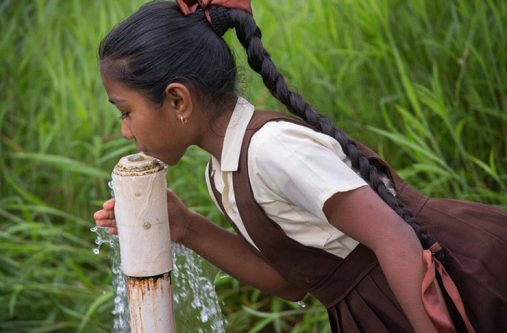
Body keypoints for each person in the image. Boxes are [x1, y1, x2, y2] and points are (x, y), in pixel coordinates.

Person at [93, 1, 507, 332]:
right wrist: (185, 226)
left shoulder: (272, 151)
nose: (126, 131)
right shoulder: (224, 172)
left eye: (125, 112)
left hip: (459, 281)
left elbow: (392, 236)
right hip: (387, 306)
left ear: (178, 100)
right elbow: (292, 283)